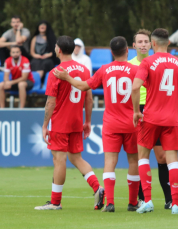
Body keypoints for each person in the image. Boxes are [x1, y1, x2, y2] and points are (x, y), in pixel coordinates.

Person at [53, 36, 140, 213]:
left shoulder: (104, 70)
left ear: (111, 52)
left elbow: (84, 86)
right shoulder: (135, 70)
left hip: (111, 123)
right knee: (133, 160)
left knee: (110, 161)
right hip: (132, 122)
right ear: (127, 51)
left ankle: (110, 203)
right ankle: (132, 202)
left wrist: (67, 77)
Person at [35, 36, 104, 211]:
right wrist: (87, 120)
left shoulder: (56, 72)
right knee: (76, 157)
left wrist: (45, 125)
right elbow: (88, 98)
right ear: (73, 49)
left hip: (60, 121)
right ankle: (97, 187)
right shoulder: (84, 69)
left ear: (58, 49)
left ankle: (55, 202)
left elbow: (51, 103)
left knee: (59, 159)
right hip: (76, 120)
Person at [132, 28, 178, 214]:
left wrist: (136, 111)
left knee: (143, 157)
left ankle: (148, 201)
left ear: (153, 43)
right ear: (168, 43)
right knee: (172, 161)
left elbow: (135, 88)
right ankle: (174, 204)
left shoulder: (148, 62)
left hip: (150, 117)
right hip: (171, 119)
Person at [128, 29, 174, 209]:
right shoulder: (130, 66)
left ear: (151, 43)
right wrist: (133, 110)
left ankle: (169, 199)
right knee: (141, 155)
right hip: (137, 111)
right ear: (133, 46)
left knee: (162, 157)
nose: (143, 44)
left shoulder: (157, 63)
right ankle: (142, 198)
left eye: (146, 41)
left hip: (156, 110)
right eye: (139, 42)